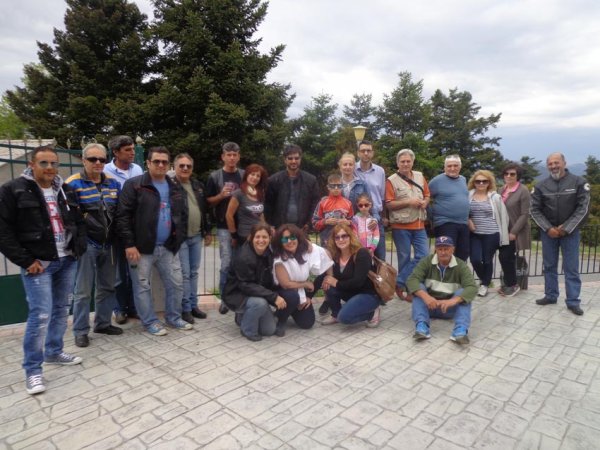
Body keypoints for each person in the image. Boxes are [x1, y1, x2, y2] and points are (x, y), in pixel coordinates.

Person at [0, 146, 86, 395]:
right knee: (40, 315)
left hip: (66, 259)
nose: (50, 168)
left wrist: (78, 247)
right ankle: (33, 370)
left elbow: (77, 220)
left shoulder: (64, 189)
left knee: (61, 309)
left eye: (53, 163)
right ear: (31, 164)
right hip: (39, 264)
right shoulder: (13, 189)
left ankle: (54, 352)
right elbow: (3, 231)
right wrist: (25, 260)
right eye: (44, 163)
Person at [116, 146, 192, 336]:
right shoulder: (134, 185)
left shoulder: (175, 186)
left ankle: (173, 318)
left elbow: (182, 215)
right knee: (142, 287)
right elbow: (123, 216)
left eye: (164, 162)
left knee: (176, 284)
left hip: (168, 247)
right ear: (148, 163)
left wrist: (177, 239)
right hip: (141, 249)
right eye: (156, 161)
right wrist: (129, 244)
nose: (160, 165)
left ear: (168, 164)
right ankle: (150, 322)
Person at [66, 143, 122, 348]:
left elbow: (119, 214)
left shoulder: (113, 184)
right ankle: (80, 331)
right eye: (93, 159)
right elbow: (69, 218)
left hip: (109, 244)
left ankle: (103, 324)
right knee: (83, 291)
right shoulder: (73, 183)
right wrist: (78, 242)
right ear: (83, 160)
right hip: (87, 245)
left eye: (102, 159)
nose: (98, 163)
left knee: (108, 287)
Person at [530, 152, 590, 316]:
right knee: (549, 266)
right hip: (549, 233)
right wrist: (548, 228)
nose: (553, 166)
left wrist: (566, 227)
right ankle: (550, 296)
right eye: (550, 164)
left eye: (556, 162)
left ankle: (573, 301)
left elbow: (583, 208)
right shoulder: (540, 186)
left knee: (571, 267)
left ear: (564, 163)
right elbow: (534, 210)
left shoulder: (579, 182)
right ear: (547, 166)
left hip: (570, 233)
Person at [406, 236, 478, 344]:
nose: (443, 252)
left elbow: (472, 287)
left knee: (463, 293)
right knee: (419, 288)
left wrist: (453, 301)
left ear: (453, 249)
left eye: (446, 249)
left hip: (448, 308)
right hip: (428, 306)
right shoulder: (426, 261)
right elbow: (411, 280)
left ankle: (460, 330)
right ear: (436, 249)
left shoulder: (461, 265)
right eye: (440, 249)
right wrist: (426, 297)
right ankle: (422, 326)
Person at [222, 224, 286, 341]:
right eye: (257, 237)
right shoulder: (243, 257)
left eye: (264, 237)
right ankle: (247, 329)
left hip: (256, 292)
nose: (261, 240)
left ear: (270, 238)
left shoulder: (268, 253)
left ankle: (243, 317)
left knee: (269, 330)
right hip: (238, 294)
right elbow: (245, 285)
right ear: (251, 237)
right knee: (260, 303)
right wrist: (273, 297)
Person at [104, 135, 143, 325]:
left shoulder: (137, 169)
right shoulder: (106, 171)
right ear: (116, 152)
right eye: (128, 150)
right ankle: (119, 309)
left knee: (135, 271)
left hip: (136, 227)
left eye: (133, 149)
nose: (132, 152)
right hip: (116, 228)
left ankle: (134, 307)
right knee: (119, 274)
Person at [171, 153, 212, 324]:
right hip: (180, 238)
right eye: (181, 165)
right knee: (185, 274)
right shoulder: (170, 185)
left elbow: (205, 210)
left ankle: (194, 306)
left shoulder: (198, 185)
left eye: (188, 166)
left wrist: (207, 231)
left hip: (196, 236)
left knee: (194, 273)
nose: (185, 168)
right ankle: (186, 308)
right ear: (175, 167)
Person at [271, 224, 333, 336]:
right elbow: (286, 284)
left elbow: (326, 254)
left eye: (292, 237)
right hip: (283, 293)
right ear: (280, 242)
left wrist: (329, 277)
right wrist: (305, 284)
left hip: (299, 290)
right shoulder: (279, 258)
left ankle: (290, 309)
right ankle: (281, 320)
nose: (289, 241)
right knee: (292, 296)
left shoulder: (304, 252)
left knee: (307, 323)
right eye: (285, 239)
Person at [385, 148, 430, 301]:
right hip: (400, 226)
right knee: (404, 258)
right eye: (402, 161)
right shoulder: (391, 180)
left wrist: (425, 202)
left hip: (419, 224)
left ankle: (399, 282)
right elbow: (389, 204)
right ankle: (409, 290)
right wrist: (409, 202)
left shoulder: (419, 176)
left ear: (412, 162)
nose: (405, 164)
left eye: (408, 161)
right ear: (397, 163)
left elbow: (427, 195)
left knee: (424, 256)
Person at [206, 142, 244, 314]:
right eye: (229, 155)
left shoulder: (244, 175)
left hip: (243, 226)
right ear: (223, 157)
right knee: (226, 263)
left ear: (238, 156)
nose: (232, 158)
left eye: (235, 155)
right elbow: (208, 201)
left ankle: (240, 295)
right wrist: (221, 195)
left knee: (242, 262)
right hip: (223, 226)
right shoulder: (215, 176)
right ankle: (224, 299)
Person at [321, 223, 382, 328]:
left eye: (344, 236)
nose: (341, 240)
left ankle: (372, 313)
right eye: (337, 237)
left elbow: (358, 282)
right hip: (351, 293)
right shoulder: (336, 256)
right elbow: (324, 275)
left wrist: (336, 283)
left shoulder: (362, 253)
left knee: (344, 318)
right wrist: (325, 280)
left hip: (367, 294)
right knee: (329, 284)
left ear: (351, 237)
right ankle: (335, 314)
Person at [467, 170, 509, 297]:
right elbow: (463, 212)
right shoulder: (468, 196)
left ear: (489, 183)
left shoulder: (495, 197)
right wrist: (469, 221)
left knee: (487, 260)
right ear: (474, 182)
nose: (481, 183)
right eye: (478, 181)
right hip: (474, 234)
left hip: (491, 233)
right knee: (475, 259)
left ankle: (484, 285)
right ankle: (486, 279)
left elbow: (504, 216)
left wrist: (504, 234)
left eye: (484, 181)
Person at [265, 144, 320, 232]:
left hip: (302, 229)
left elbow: (315, 204)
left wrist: (309, 223)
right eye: (290, 158)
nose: (293, 161)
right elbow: (268, 206)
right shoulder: (274, 180)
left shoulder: (311, 180)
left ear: (300, 159)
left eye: (296, 158)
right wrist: (270, 225)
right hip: (279, 229)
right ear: (285, 160)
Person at [497, 163, 531, 297]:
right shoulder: (501, 189)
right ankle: (507, 284)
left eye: (512, 174)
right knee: (505, 257)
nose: (509, 176)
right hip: (502, 231)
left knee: (506, 257)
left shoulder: (523, 191)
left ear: (518, 176)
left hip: (514, 231)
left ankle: (512, 285)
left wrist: (514, 232)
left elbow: (525, 214)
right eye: (506, 174)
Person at [428, 154, 470, 262]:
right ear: (444, 167)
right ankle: (442, 273)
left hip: (463, 223)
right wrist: (431, 215)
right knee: (446, 253)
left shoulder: (463, 179)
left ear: (460, 166)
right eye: (449, 166)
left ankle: (458, 273)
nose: (452, 168)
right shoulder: (436, 181)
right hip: (445, 223)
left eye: (455, 165)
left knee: (463, 253)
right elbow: (426, 197)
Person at [355, 140, 387, 260]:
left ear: (372, 153)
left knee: (380, 257)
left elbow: (382, 197)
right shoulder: (352, 169)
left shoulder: (380, 171)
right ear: (358, 153)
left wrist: (383, 217)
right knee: (360, 257)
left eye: (368, 151)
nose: (366, 153)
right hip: (358, 218)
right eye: (363, 150)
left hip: (376, 217)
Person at [225, 163, 268, 246]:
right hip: (245, 236)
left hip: (259, 236)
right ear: (247, 175)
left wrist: (267, 227)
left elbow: (261, 215)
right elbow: (229, 215)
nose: (255, 177)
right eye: (252, 174)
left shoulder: (261, 194)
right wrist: (234, 235)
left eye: (258, 176)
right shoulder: (238, 193)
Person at [312, 173, 353, 246]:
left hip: (343, 240)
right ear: (328, 187)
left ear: (342, 186)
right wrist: (325, 222)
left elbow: (354, 222)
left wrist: (348, 222)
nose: (336, 188)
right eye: (333, 186)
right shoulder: (322, 203)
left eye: (339, 186)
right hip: (327, 240)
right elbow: (314, 223)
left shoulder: (348, 203)